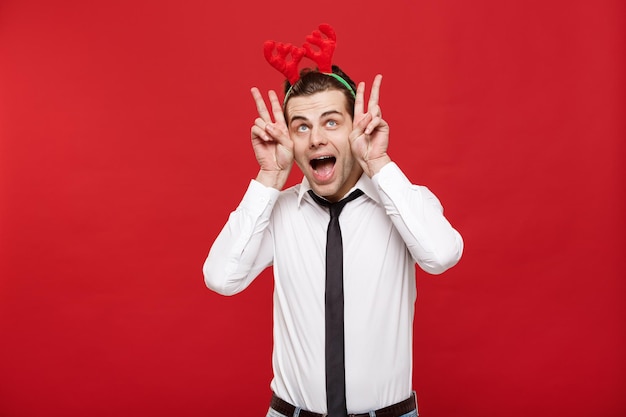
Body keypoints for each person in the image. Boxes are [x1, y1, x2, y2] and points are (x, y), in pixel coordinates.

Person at [203, 24, 463, 417]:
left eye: (331, 122)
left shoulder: (403, 201)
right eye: (301, 127)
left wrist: (378, 163)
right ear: (289, 139)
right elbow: (221, 278)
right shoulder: (278, 212)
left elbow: (442, 255)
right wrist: (269, 178)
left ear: (355, 126)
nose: (316, 140)